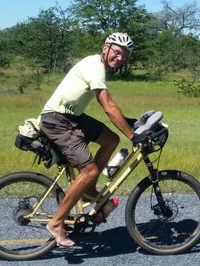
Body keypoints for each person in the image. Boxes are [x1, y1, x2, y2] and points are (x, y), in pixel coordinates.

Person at [38, 32, 147, 247]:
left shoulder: (96, 65)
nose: (120, 58)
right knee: (90, 170)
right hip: (57, 119)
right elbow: (108, 106)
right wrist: (134, 136)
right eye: (117, 52)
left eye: (124, 55)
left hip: (72, 117)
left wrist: (130, 124)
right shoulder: (95, 66)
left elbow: (112, 109)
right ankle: (56, 223)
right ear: (105, 48)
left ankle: (88, 190)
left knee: (111, 140)